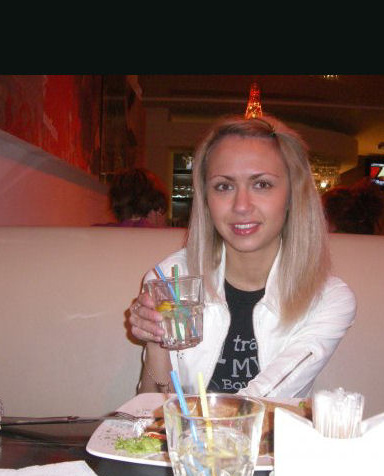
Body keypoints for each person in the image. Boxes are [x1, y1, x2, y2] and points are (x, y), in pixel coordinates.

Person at [129, 114, 356, 398]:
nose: (241, 206)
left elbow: (265, 399)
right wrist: (155, 341)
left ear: (292, 195)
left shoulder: (328, 299)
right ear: (206, 199)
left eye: (262, 184)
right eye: (224, 186)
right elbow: (152, 407)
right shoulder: (170, 279)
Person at [96, 168, 168, 228]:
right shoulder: (165, 236)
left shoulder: (96, 232)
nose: (165, 222)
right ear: (159, 210)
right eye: (163, 211)